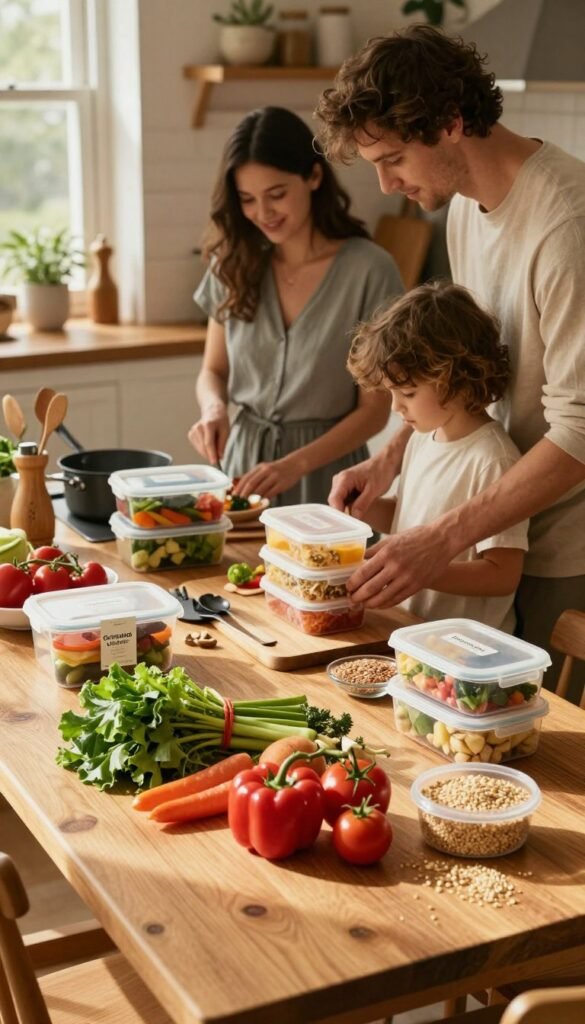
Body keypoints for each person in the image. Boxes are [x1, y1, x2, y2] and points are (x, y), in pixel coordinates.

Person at [314, 25, 585, 686]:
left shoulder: (566, 224)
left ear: (452, 123)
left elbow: (579, 431)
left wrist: (440, 539)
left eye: (395, 158)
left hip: (561, 549)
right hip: (495, 524)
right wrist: (388, 458)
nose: (384, 184)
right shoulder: (464, 205)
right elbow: (452, 362)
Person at [188, 105, 403, 506]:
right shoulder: (231, 264)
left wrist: (295, 465)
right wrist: (214, 408)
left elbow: (375, 411)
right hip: (241, 473)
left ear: (314, 177)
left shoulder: (370, 271)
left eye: (277, 194)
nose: (262, 213)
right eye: (247, 199)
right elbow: (213, 370)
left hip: (330, 477)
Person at [347, 281, 528, 631]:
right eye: (391, 393)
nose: (397, 407)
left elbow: (502, 575)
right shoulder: (422, 437)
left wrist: (422, 570)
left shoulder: (493, 459)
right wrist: (363, 507)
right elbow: (408, 516)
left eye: (409, 393)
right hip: (412, 631)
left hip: (466, 650)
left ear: (457, 377)